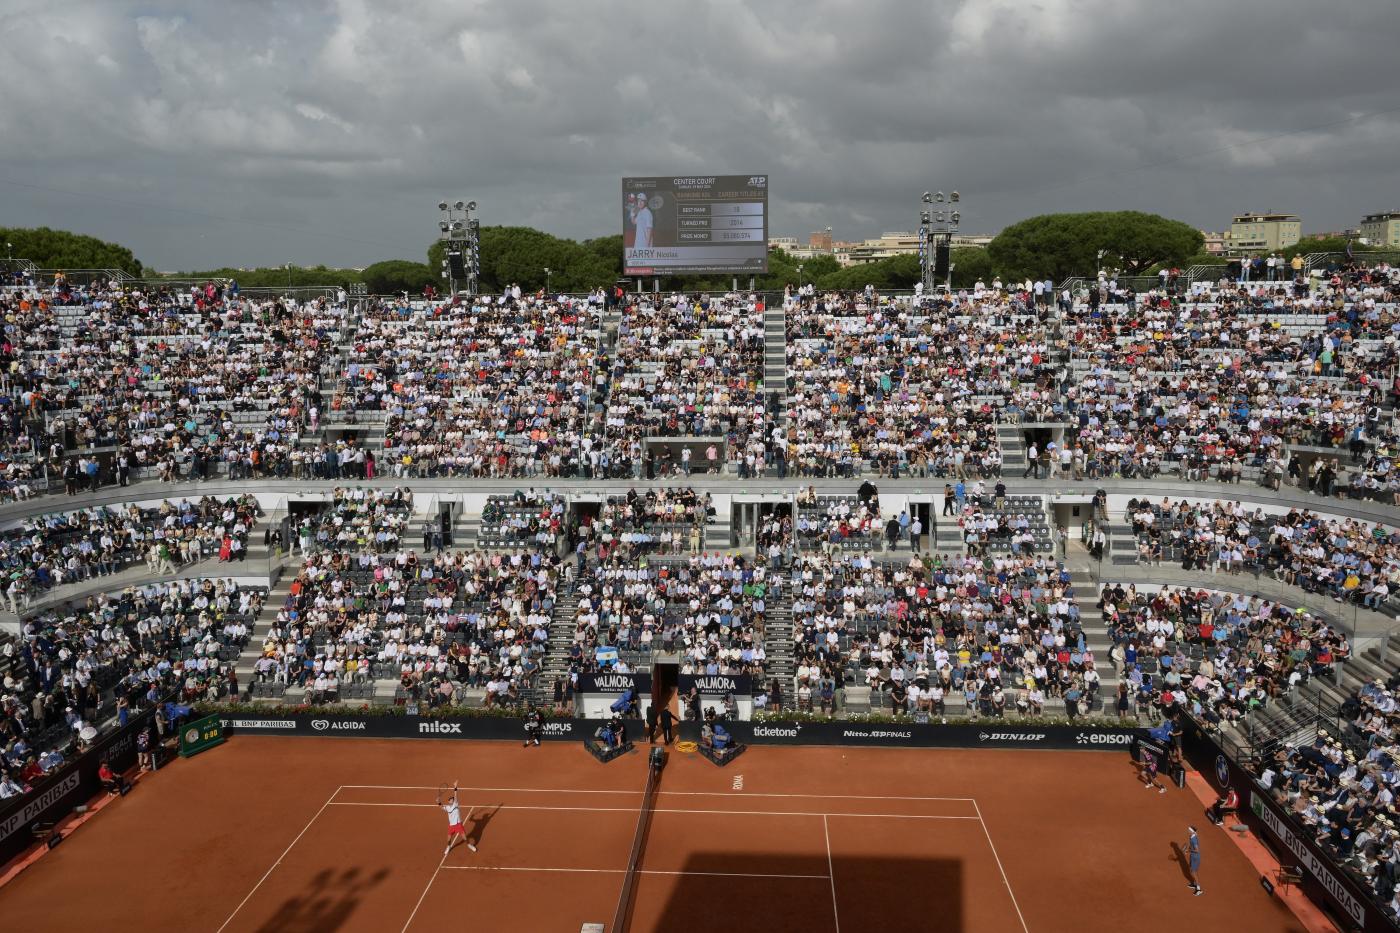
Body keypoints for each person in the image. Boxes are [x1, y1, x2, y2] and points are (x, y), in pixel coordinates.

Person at [439, 781, 474, 855]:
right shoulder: (447, 807)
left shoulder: (456, 804)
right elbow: (442, 807)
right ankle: (448, 847)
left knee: (464, 837)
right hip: (452, 825)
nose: (452, 799)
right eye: (451, 799)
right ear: (449, 801)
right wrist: (438, 802)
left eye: (453, 799)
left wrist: (455, 787)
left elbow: (455, 795)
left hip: (458, 824)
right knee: (448, 838)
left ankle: (469, 845)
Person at [1185, 826, 1203, 895]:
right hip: (1193, 856)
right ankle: (1195, 884)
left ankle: (1199, 889)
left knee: (1193, 872)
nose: (1188, 831)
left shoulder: (1193, 839)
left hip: (1195, 857)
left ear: (1192, 831)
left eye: (1189, 830)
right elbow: (1191, 845)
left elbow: (1197, 850)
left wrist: (1189, 850)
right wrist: (1188, 850)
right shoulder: (1191, 836)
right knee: (1191, 870)